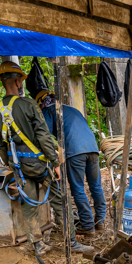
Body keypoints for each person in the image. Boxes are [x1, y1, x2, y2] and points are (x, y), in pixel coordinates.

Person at [0, 62, 92, 257]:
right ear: (18, 81)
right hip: (39, 164)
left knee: (29, 204)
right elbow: (44, 136)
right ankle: (71, 242)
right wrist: (55, 162)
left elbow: (0, 146)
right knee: (61, 201)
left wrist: (10, 165)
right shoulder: (28, 105)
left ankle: (38, 246)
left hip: (19, 167)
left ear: (3, 82)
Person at [35, 90, 106, 234]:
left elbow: (45, 135)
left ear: (41, 104)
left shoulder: (48, 110)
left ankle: (87, 225)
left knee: (78, 188)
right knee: (95, 186)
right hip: (92, 148)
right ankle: (101, 221)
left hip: (75, 151)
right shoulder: (71, 110)